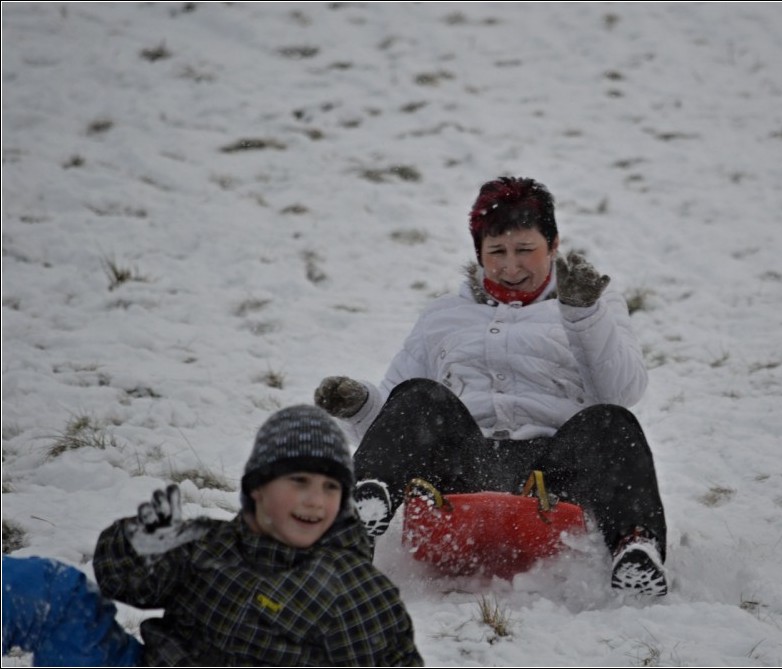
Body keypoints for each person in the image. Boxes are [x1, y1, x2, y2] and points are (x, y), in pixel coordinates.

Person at [315, 176, 669, 597]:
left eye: (526, 250)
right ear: (478, 253)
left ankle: (634, 549)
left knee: (611, 422)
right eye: (496, 252)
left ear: (553, 245)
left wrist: (583, 315)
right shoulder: (444, 316)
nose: (511, 266)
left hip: (553, 477)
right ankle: (353, 528)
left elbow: (623, 391)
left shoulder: (591, 304)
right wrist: (358, 406)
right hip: (464, 471)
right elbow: (393, 421)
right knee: (418, 395)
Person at [2, 405, 424, 666]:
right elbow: (122, 581)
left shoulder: (360, 593)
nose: (316, 500)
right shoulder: (210, 542)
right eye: (299, 481)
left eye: (331, 487)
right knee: (48, 588)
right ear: (257, 487)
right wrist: (139, 543)